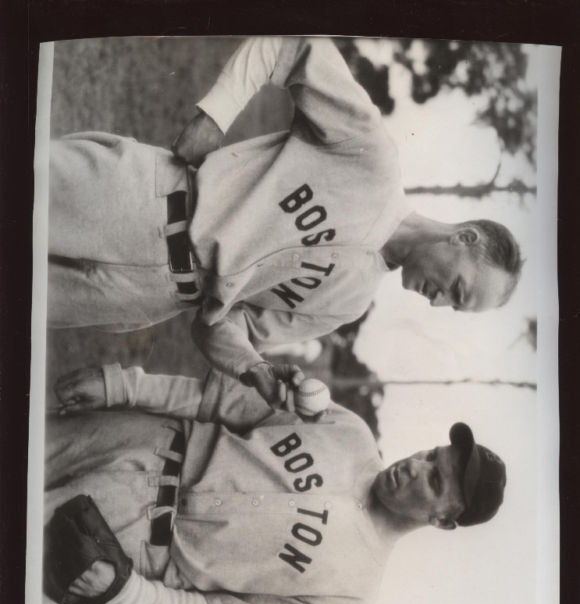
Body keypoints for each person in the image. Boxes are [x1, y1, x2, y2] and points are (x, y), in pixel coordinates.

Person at [48, 37, 522, 407]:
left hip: (145, 298)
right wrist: (216, 114)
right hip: (144, 201)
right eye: (456, 290)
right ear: (464, 237)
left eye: (454, 307)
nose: (438, 303)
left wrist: (253, 367)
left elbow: (219, 326)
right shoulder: (373, 161)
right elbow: (295, 43)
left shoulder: (349, 304)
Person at [45, 363, 507, 604]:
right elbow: (220, 402)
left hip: (124, 540)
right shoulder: (353, 433)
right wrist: (123, 386)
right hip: (144, 439)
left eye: (433, 478)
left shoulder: (353, 593)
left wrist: (123, 590)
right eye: (430, 454)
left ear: (442, 520)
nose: (414, 464)